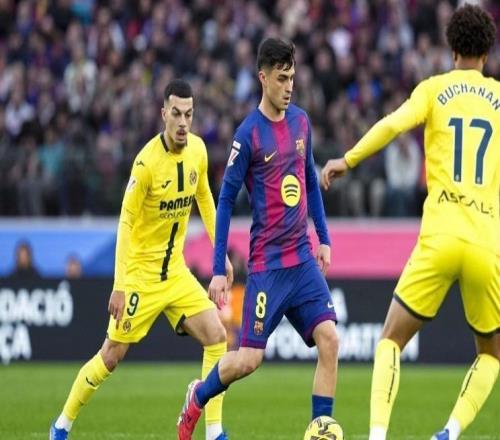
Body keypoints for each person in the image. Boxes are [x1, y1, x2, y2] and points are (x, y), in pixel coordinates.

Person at [320, 5, 499, 440]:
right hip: (485, 241)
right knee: (491, 355)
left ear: (451, 49)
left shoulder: (434, 89)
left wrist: (348, 160)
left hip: (440, 236)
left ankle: (378, 436)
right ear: (487, 52)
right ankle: (450, 431)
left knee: (390, 340)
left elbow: (392, 126)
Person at [49, 79, 233, 440]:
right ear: (163, 114)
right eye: (177, 114)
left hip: (175, 273)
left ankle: (213, 432)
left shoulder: (198, 151)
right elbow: (126, 222)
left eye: (189, 114)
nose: (183, 122)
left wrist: (220, 253)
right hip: (141, 277)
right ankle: (61, 426)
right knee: (111, 356)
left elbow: (206, 201)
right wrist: (120, 285)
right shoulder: (146, 163)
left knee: (217, 337)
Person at [177, 38, 339, 440]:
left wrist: (323, 237)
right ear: (263, 78)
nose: (289, 86)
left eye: (292, 78)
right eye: (282, 78)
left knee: (330, 340)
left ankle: (320, 429)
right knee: (249, 359)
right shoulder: (248, 134)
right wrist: (218, 268)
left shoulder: (302, 122)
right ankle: (198, 396)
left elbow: (311, 182)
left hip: (302, 261)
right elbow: (225, 201)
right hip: (268, 268)